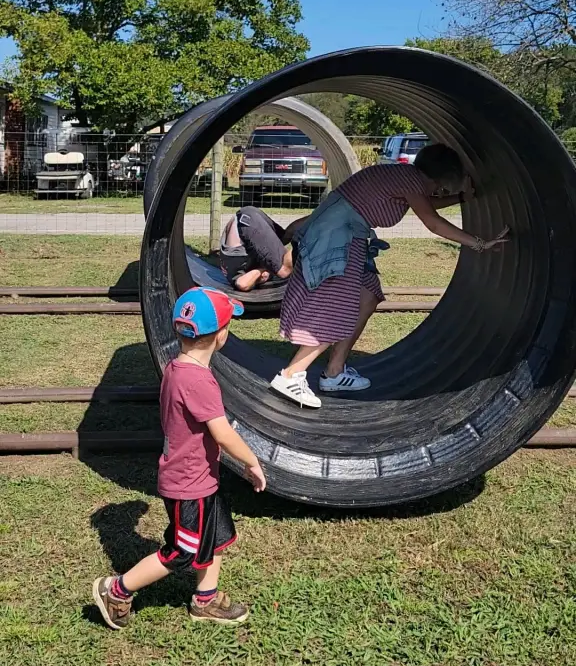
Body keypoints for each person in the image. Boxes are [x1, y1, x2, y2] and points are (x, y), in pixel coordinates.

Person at [269, 144, 509, 409]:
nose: (438, 194)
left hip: (346, 235)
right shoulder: (410, 180)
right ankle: (290, 376)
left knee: (367, 296)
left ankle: (335, 372)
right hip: (334, 239)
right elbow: (433, 221)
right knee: (337, 309)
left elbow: (428, 203)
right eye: (440, 188)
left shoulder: (406, 178)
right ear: (439, 178)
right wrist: (479, 243)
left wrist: (462, 199)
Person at [92, 287, 266, 629]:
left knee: (215, 537)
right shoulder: (199, 381)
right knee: (180, 551)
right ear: (221, 335)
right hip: (189, 485)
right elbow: (223, 434)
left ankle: (206, 599)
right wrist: (252, 461)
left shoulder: (175, 367)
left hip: (200, 477)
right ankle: (117, 589)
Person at [219, 205, 308, 292]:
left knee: (283, 270)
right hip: (247, 213)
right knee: (283, 237)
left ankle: (314, 231)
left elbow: (242, 284)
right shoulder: (245, 264)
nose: (264, 277)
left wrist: (264, 270)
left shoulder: (237, 275)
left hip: (246, 223)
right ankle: (316, 216)